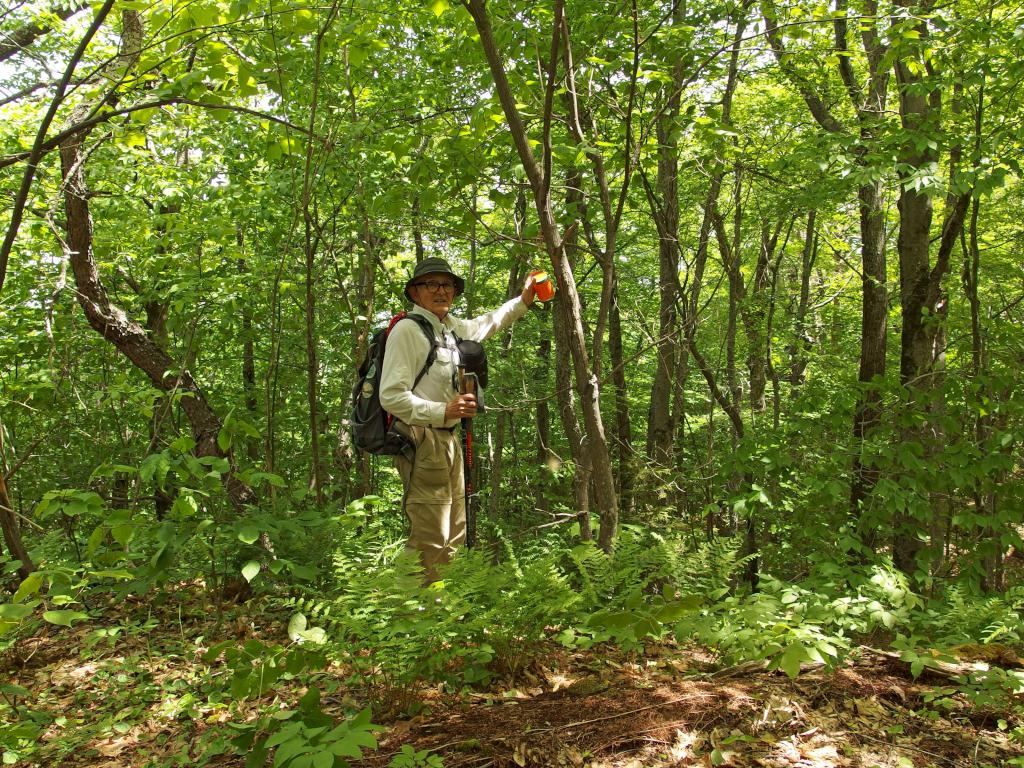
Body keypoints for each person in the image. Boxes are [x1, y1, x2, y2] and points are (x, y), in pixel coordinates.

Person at [380, 257, 538, 581]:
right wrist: (443, 410)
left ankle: (439, 614)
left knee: (454, 534)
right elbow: (391, 396)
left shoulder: (449, 329)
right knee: (429, 537)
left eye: (447, 284)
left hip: (449, 441)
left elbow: (489, 323)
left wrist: (524, 300)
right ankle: (404, 615)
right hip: (422, 439)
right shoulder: (408, 331)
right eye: (431, 284)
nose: (441, 290)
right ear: (415, 292)